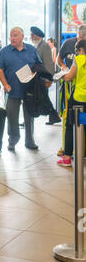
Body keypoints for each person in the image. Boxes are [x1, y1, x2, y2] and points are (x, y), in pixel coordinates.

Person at [0, 27, 42, 151]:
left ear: (22, 36)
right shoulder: (4, 51)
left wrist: (35, 73)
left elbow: (39, 65)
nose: (12, 38)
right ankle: (12, 140)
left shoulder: (32, 50)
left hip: (29, 90)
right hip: (12, 90)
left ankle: (30, 141)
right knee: (12, 117)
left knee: (29, 116)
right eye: (11, 35)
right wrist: (5, 84)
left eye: (15, 35)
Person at [57, 39, 86, 167]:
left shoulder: (78, 60)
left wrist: (62, 76)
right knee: (85, 126)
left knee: (70, 125)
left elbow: (69, 76)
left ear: (80, 49)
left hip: (78, 99)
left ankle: (67, 157)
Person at [30, 26, 61, 125]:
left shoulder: (44, 46)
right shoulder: (37, 46)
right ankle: (53, 116)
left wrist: (49, 79)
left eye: (32, 35)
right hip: (38, 78)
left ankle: (53, 116)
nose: (31, 36)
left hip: (43, 78)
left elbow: (48, 63)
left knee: (43, 98)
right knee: (43, 98)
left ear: (37, 36)